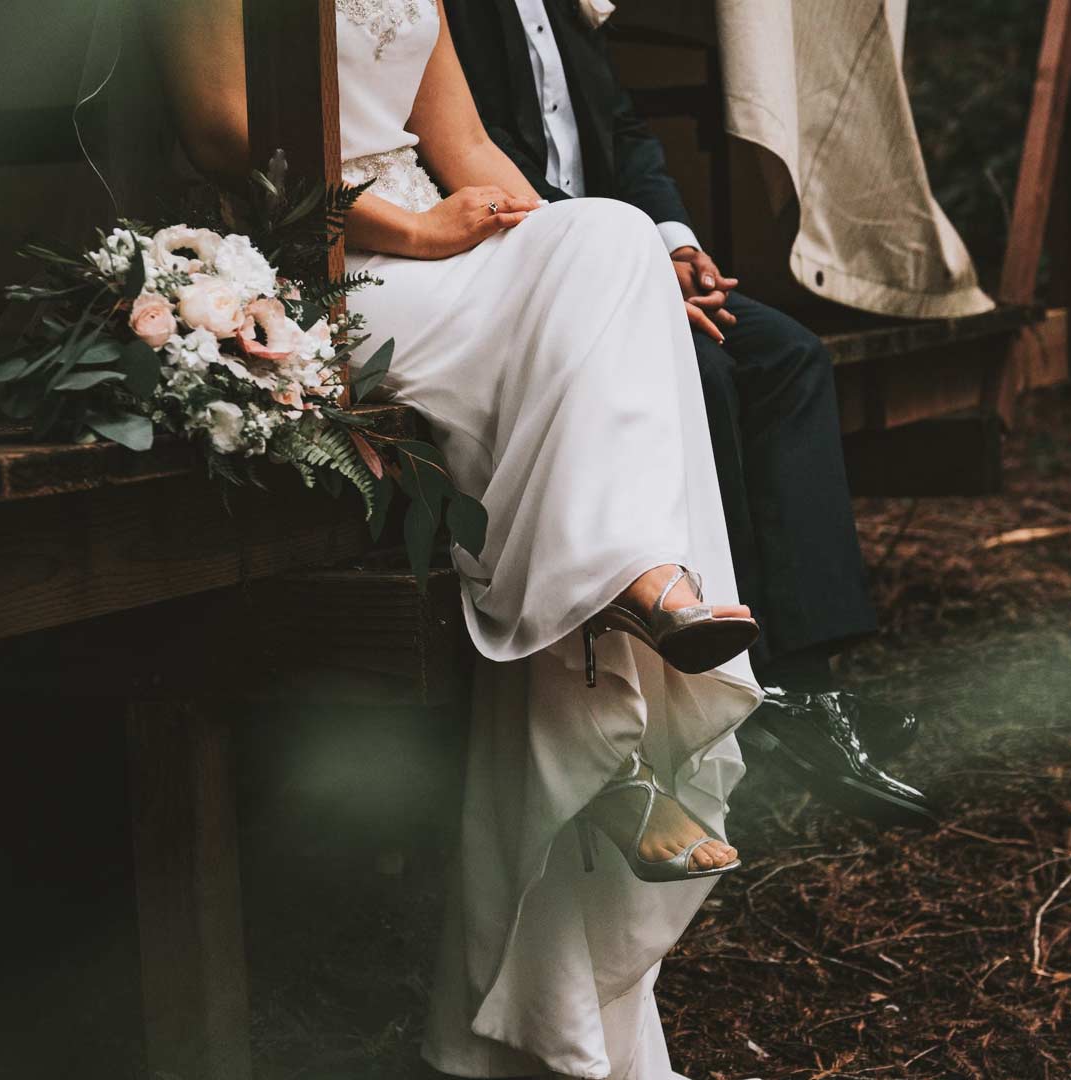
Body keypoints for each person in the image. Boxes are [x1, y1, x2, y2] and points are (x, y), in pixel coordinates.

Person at [148, 2, 769, 1076]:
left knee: (613, 239)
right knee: (592, 348)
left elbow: (470, 148)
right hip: (320, 268)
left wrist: (583, 265)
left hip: (447, 247)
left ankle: (620, 626)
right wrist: (417, 230)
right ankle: (617, 730)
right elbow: (225, 137)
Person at [443, 0, 934, 826]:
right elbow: (465, 158)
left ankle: (803, 684)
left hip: (628, 254)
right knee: (698, 372)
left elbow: (626, 133)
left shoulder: (569, 10)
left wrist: (673, 244)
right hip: (529, 267)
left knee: (786, 358)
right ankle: (731, 684)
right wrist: (628, 273)